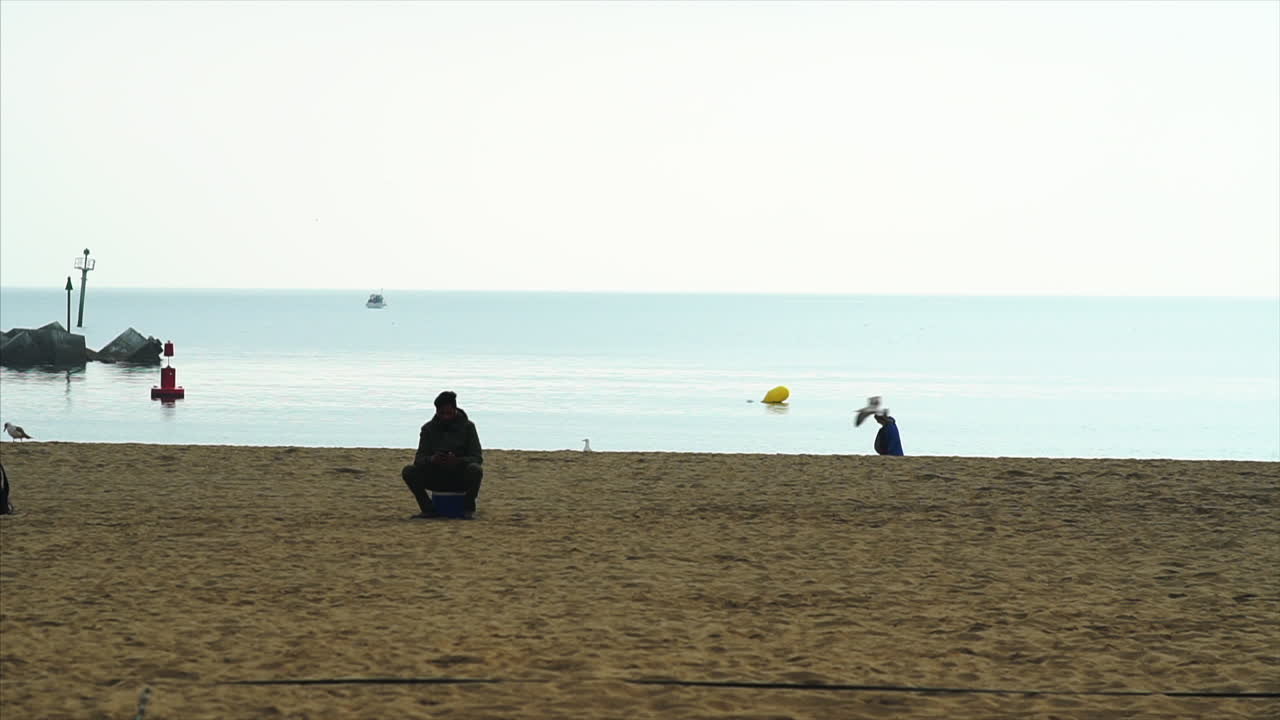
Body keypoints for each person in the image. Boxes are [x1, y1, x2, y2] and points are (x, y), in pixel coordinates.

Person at [401, 391, 484, 518]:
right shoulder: (428, 429)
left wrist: (458, 461)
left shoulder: (468, 427)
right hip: (436, 475)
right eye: (442, 413)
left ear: (455, 410)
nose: (445, 417)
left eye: (449, 413)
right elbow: (419, 459)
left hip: (459, 476)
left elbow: (477, 457)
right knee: (408, 471)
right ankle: (428, 509)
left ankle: (468, 509)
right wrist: (432, 459)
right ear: (436, 411)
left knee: (476, 470)